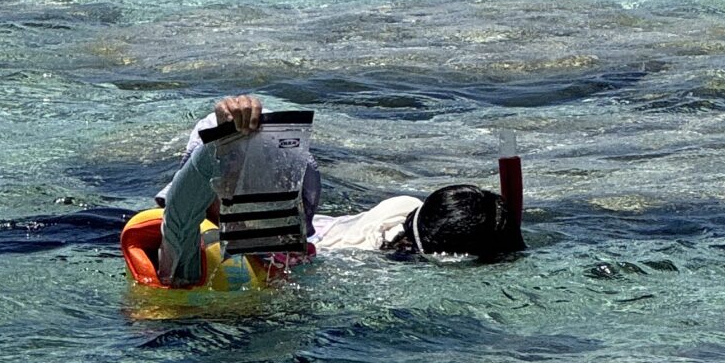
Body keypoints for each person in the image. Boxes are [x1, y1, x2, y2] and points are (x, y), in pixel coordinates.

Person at [152, 94, 520, 287]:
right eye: (232, 181)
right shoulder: (187, 254)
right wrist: (217, 146)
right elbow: (181, 213)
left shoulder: (306, 248)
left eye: (279, 183)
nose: (254, 193)